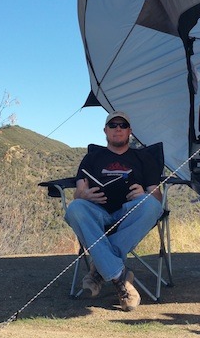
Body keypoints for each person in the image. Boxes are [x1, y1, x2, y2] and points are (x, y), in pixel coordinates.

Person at [64, 111, 164, 311]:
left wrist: (144, 193)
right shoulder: (92, 158)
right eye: (113, 125)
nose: (118, 128)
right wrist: (85, 196)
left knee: (152, 205)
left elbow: (158, 197)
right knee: (75, 207)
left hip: (128, 213)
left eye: (123, 125)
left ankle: (101, 267)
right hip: (98, 212)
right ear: (105, 131)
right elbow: (78, 192)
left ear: (129, 131)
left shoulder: (143, 158)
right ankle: (119, 276)